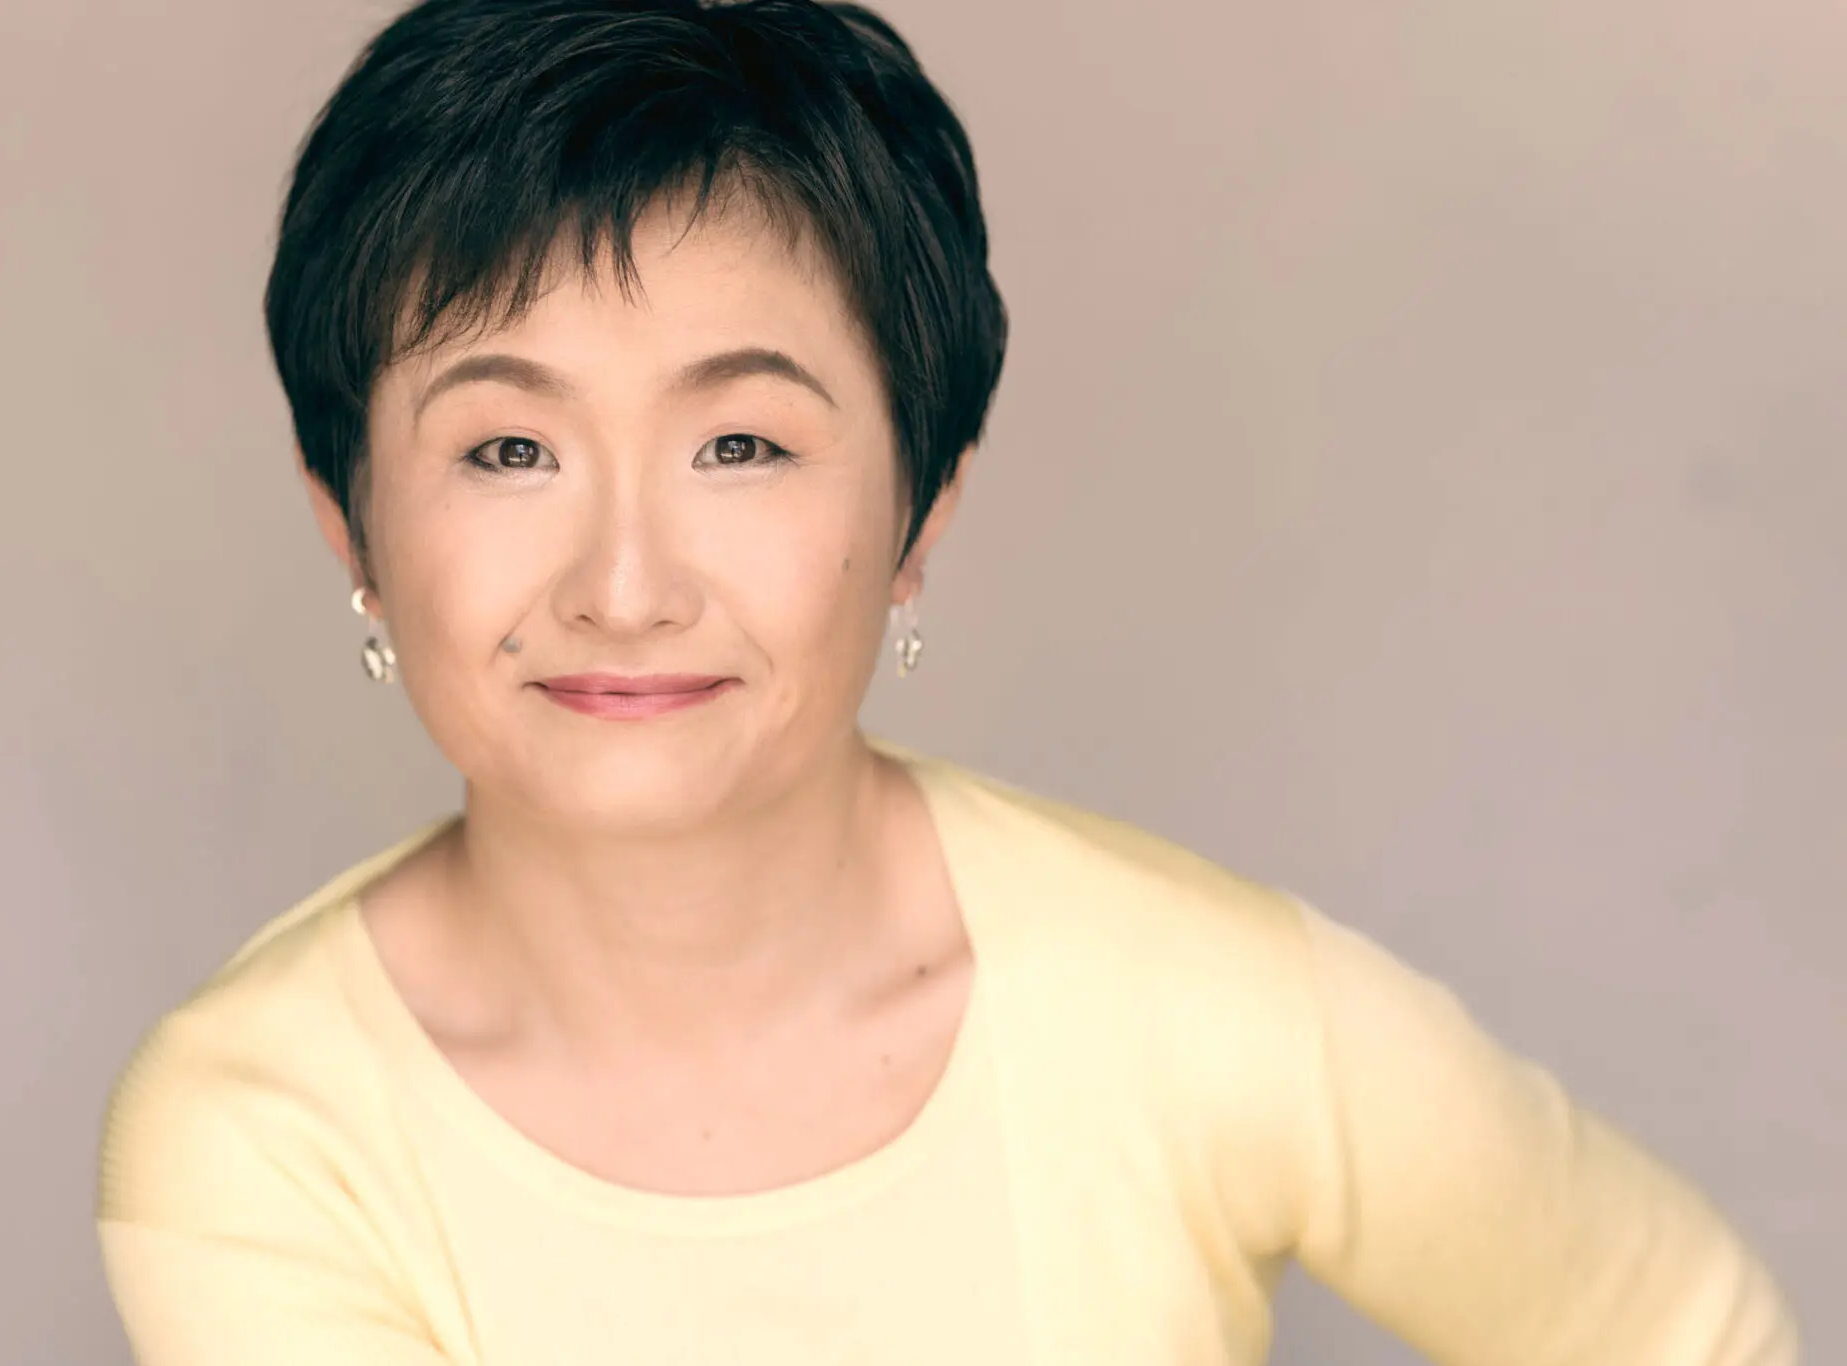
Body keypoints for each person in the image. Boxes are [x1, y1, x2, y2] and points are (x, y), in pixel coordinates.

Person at [94, 1, 1800, 1362]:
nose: (624, 585)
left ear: (918, 516)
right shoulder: (259, 1135)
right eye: (511, 444)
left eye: (742, 441)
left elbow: (1687, 1332)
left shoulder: (1206, 1007)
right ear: (353, 531)